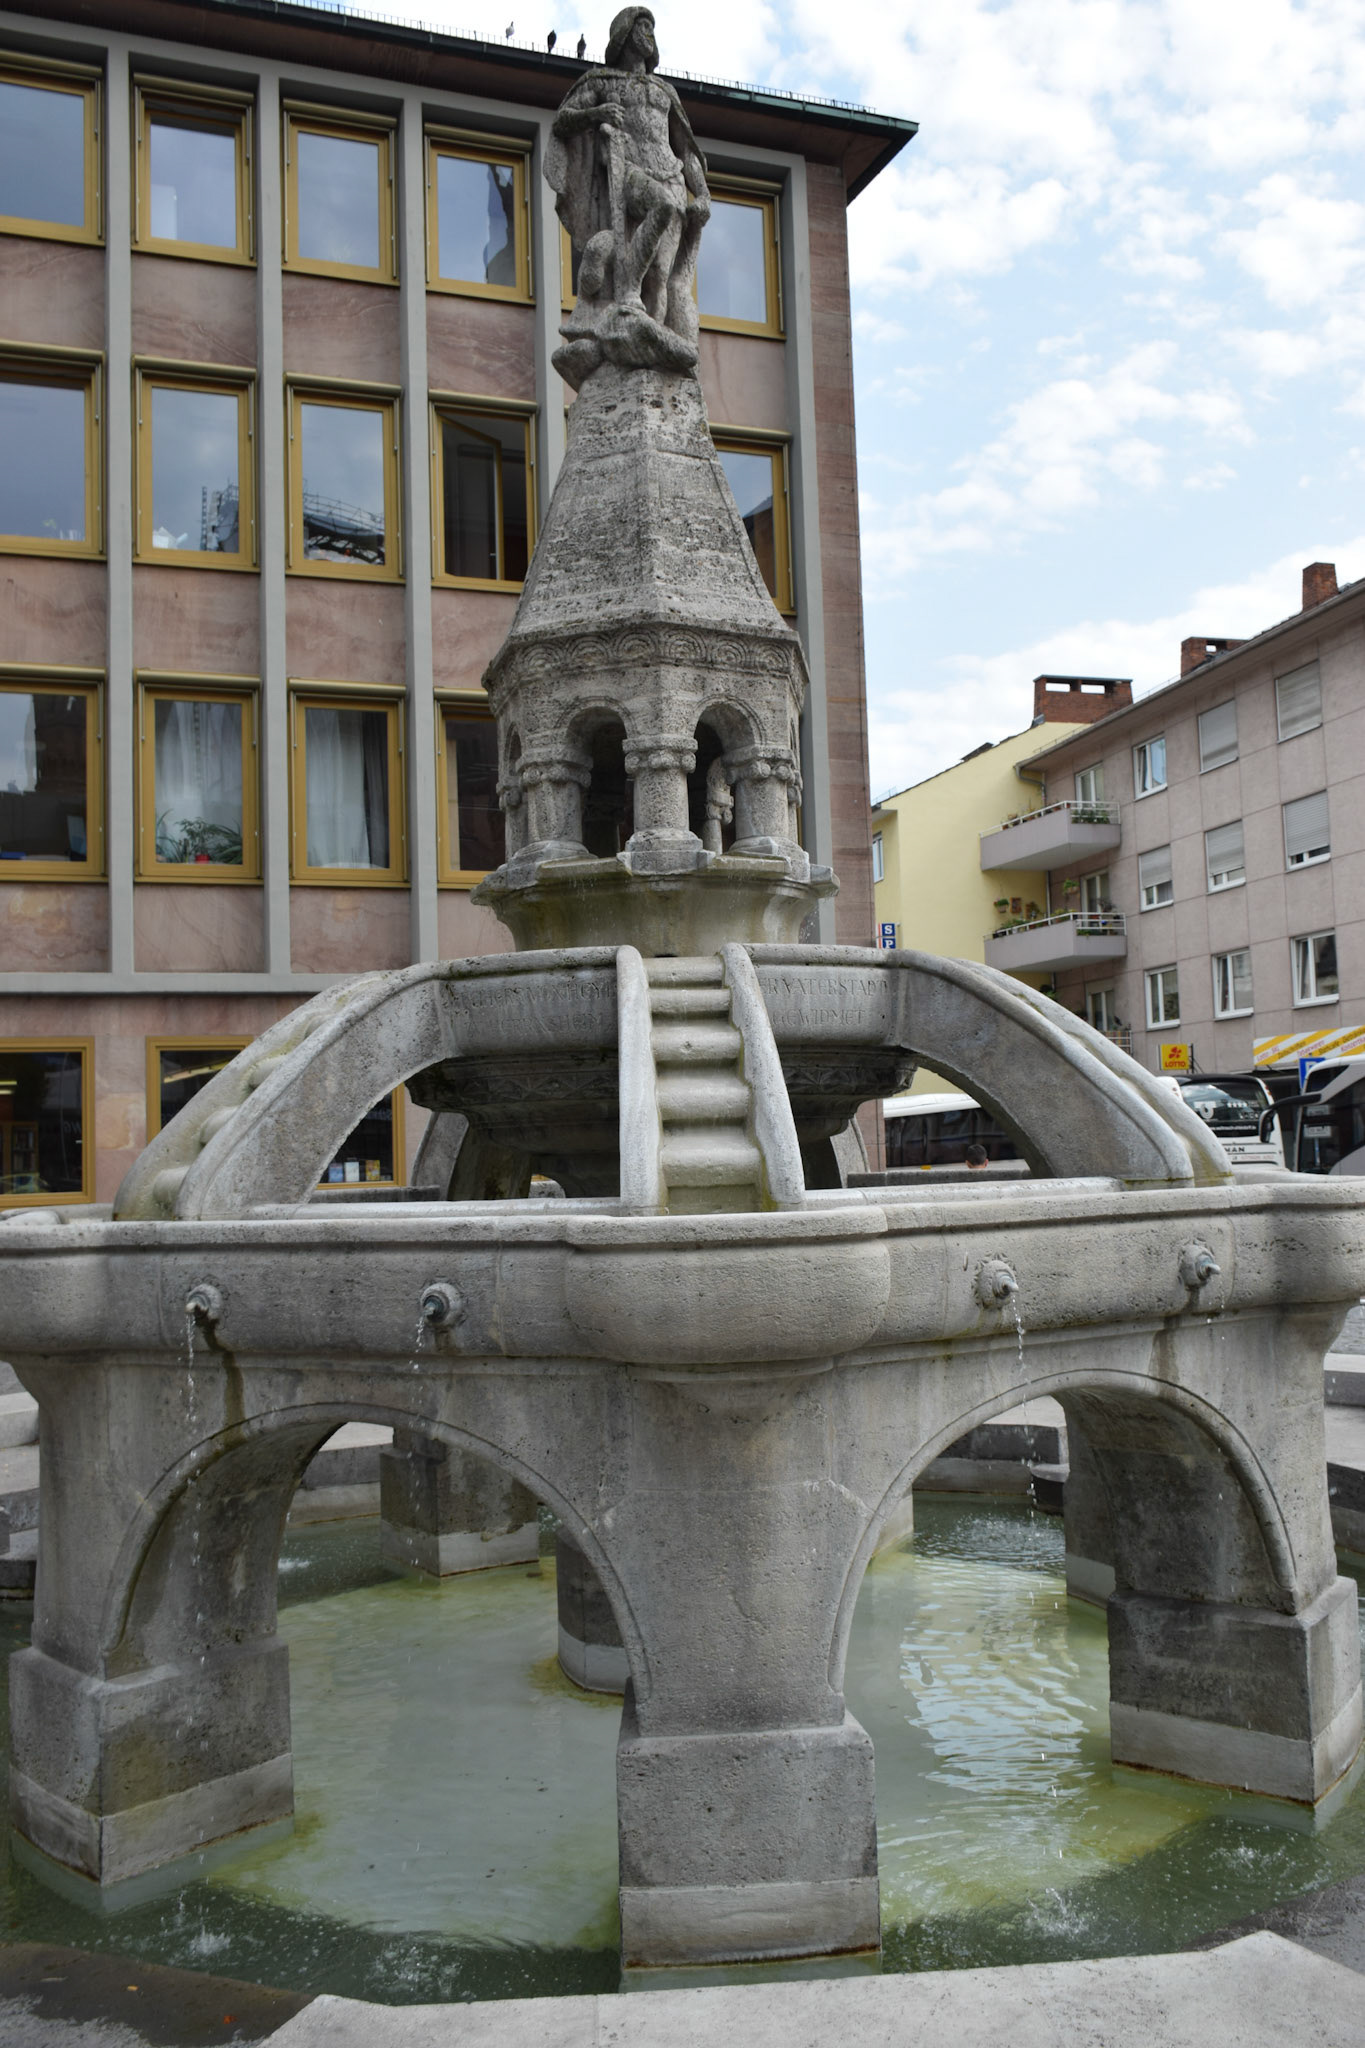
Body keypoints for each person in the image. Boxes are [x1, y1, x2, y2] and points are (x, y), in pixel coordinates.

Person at [546, 5, 710, 383]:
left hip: (670, 173)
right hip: (629, 171)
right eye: (642, 27)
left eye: (652, 29)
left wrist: (701, 192)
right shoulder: (601, 81)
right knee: (661, 206)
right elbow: (563, 121)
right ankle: (628, 294)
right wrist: (597, 113)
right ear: (623, 34)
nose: (648, 35)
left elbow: (686, 150)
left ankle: (651, 356)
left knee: (661, 274)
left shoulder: (665, 91)